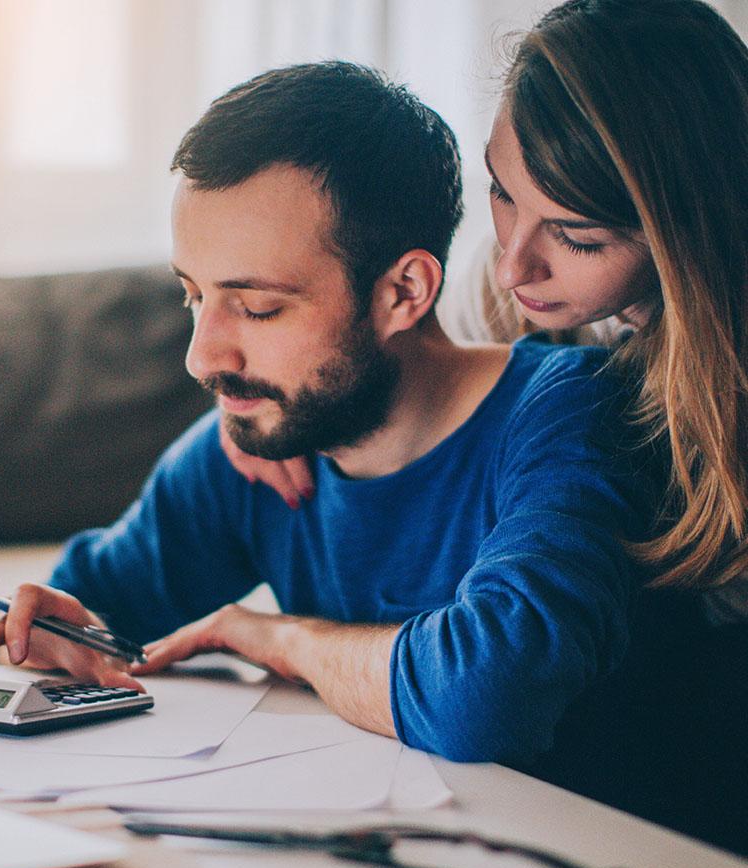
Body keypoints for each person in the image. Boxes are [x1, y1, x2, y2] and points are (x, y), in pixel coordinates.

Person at [0, 62, 709, 842]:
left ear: (404, 294)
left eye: (258, 307)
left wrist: (279, 637)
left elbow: (486, 696)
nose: (202, 356)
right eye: (193, 295)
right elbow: (99, 601)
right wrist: (53, 628)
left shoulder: (578, 410)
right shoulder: (263, 439)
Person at [226, 0, 748, 610]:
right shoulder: (494, 289)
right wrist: (269, 401)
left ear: (689, 230)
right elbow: (398, 387)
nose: (512, 267)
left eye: (577, 237)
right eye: (502, 192)